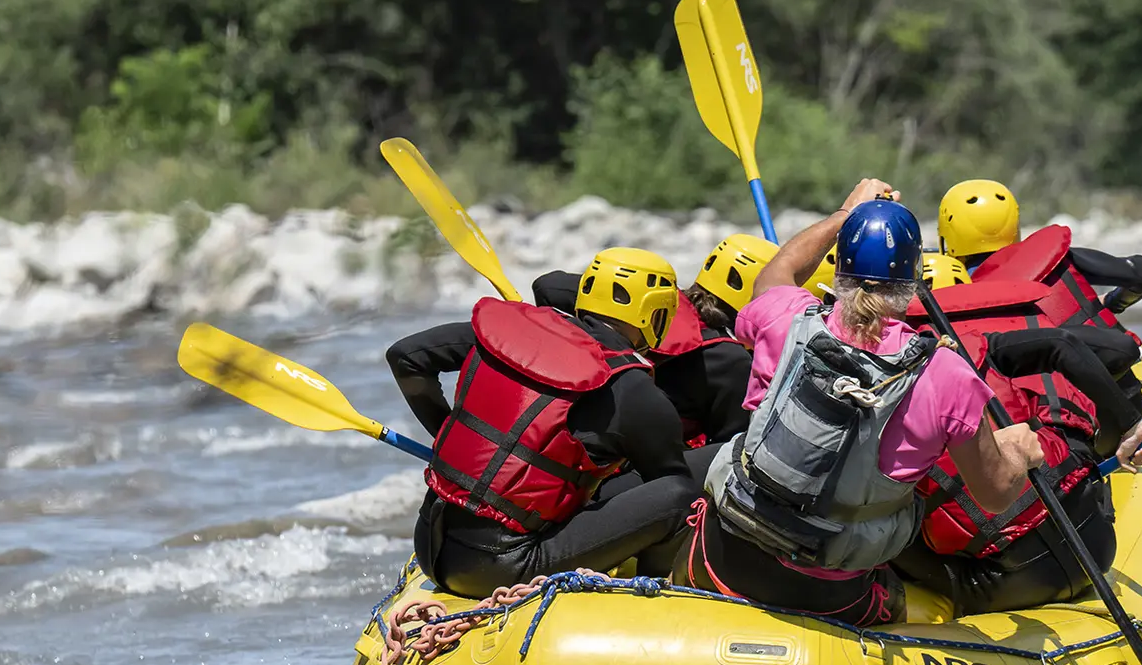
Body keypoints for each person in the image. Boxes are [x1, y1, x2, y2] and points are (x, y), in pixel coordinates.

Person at [674, 179, 1045, 625]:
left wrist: (843, 215)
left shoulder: (787, 318)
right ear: (914, 280)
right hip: (831, 593)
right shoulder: (947, 375)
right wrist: (1020, 452)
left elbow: (777, 270)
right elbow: (994, 494)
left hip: (723, 556)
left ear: (838, 271)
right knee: (909, 597)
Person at [387, 248, 698, 598]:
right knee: (682, 496)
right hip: (505, 566)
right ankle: (655, 595)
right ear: (653, 314)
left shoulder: (506, 334)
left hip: (431, 541)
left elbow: (405, 356)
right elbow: (670, 489)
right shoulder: (634, 389)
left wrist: (452, 434)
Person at [894, 299, 1142, 616]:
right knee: (1052, 426)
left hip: (1000, 586)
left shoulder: (863, 407)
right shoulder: (965, 349)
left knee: (863, 517)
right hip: (1097, 543)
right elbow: (1064, 343)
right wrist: (1132, 425)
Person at [532, 234, 776, 446]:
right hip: (634, 461)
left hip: (558, 423)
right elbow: (727, 446)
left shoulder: (649, 298)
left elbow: (547, 286)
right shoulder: (735, 363)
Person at [937, 178, 1142, 329]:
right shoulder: (1053, 260)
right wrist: (1113, 302)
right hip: (1101, 375)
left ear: (947, 235)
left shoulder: (946, 288)